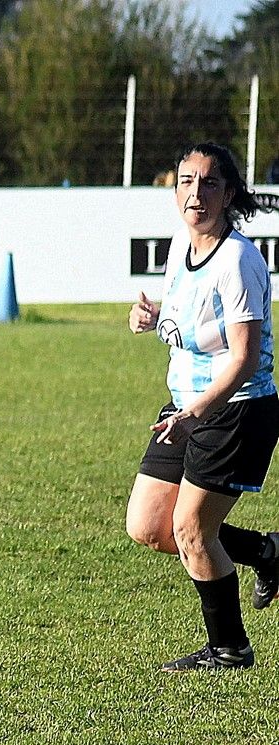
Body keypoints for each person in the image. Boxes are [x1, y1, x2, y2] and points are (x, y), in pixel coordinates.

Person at [126, 141, 279, 671]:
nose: (196, 193)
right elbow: (184, 322)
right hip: (185, 405)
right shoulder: (180, 245)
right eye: (186, 182)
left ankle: (230, 649)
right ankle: (265, 552)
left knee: (191, 528)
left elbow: (244, 358)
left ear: (228, 194)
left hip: (236, 410)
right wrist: (152, 320)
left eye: (209, 183)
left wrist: (197, 413)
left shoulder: (238, 259)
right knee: (149, 525)